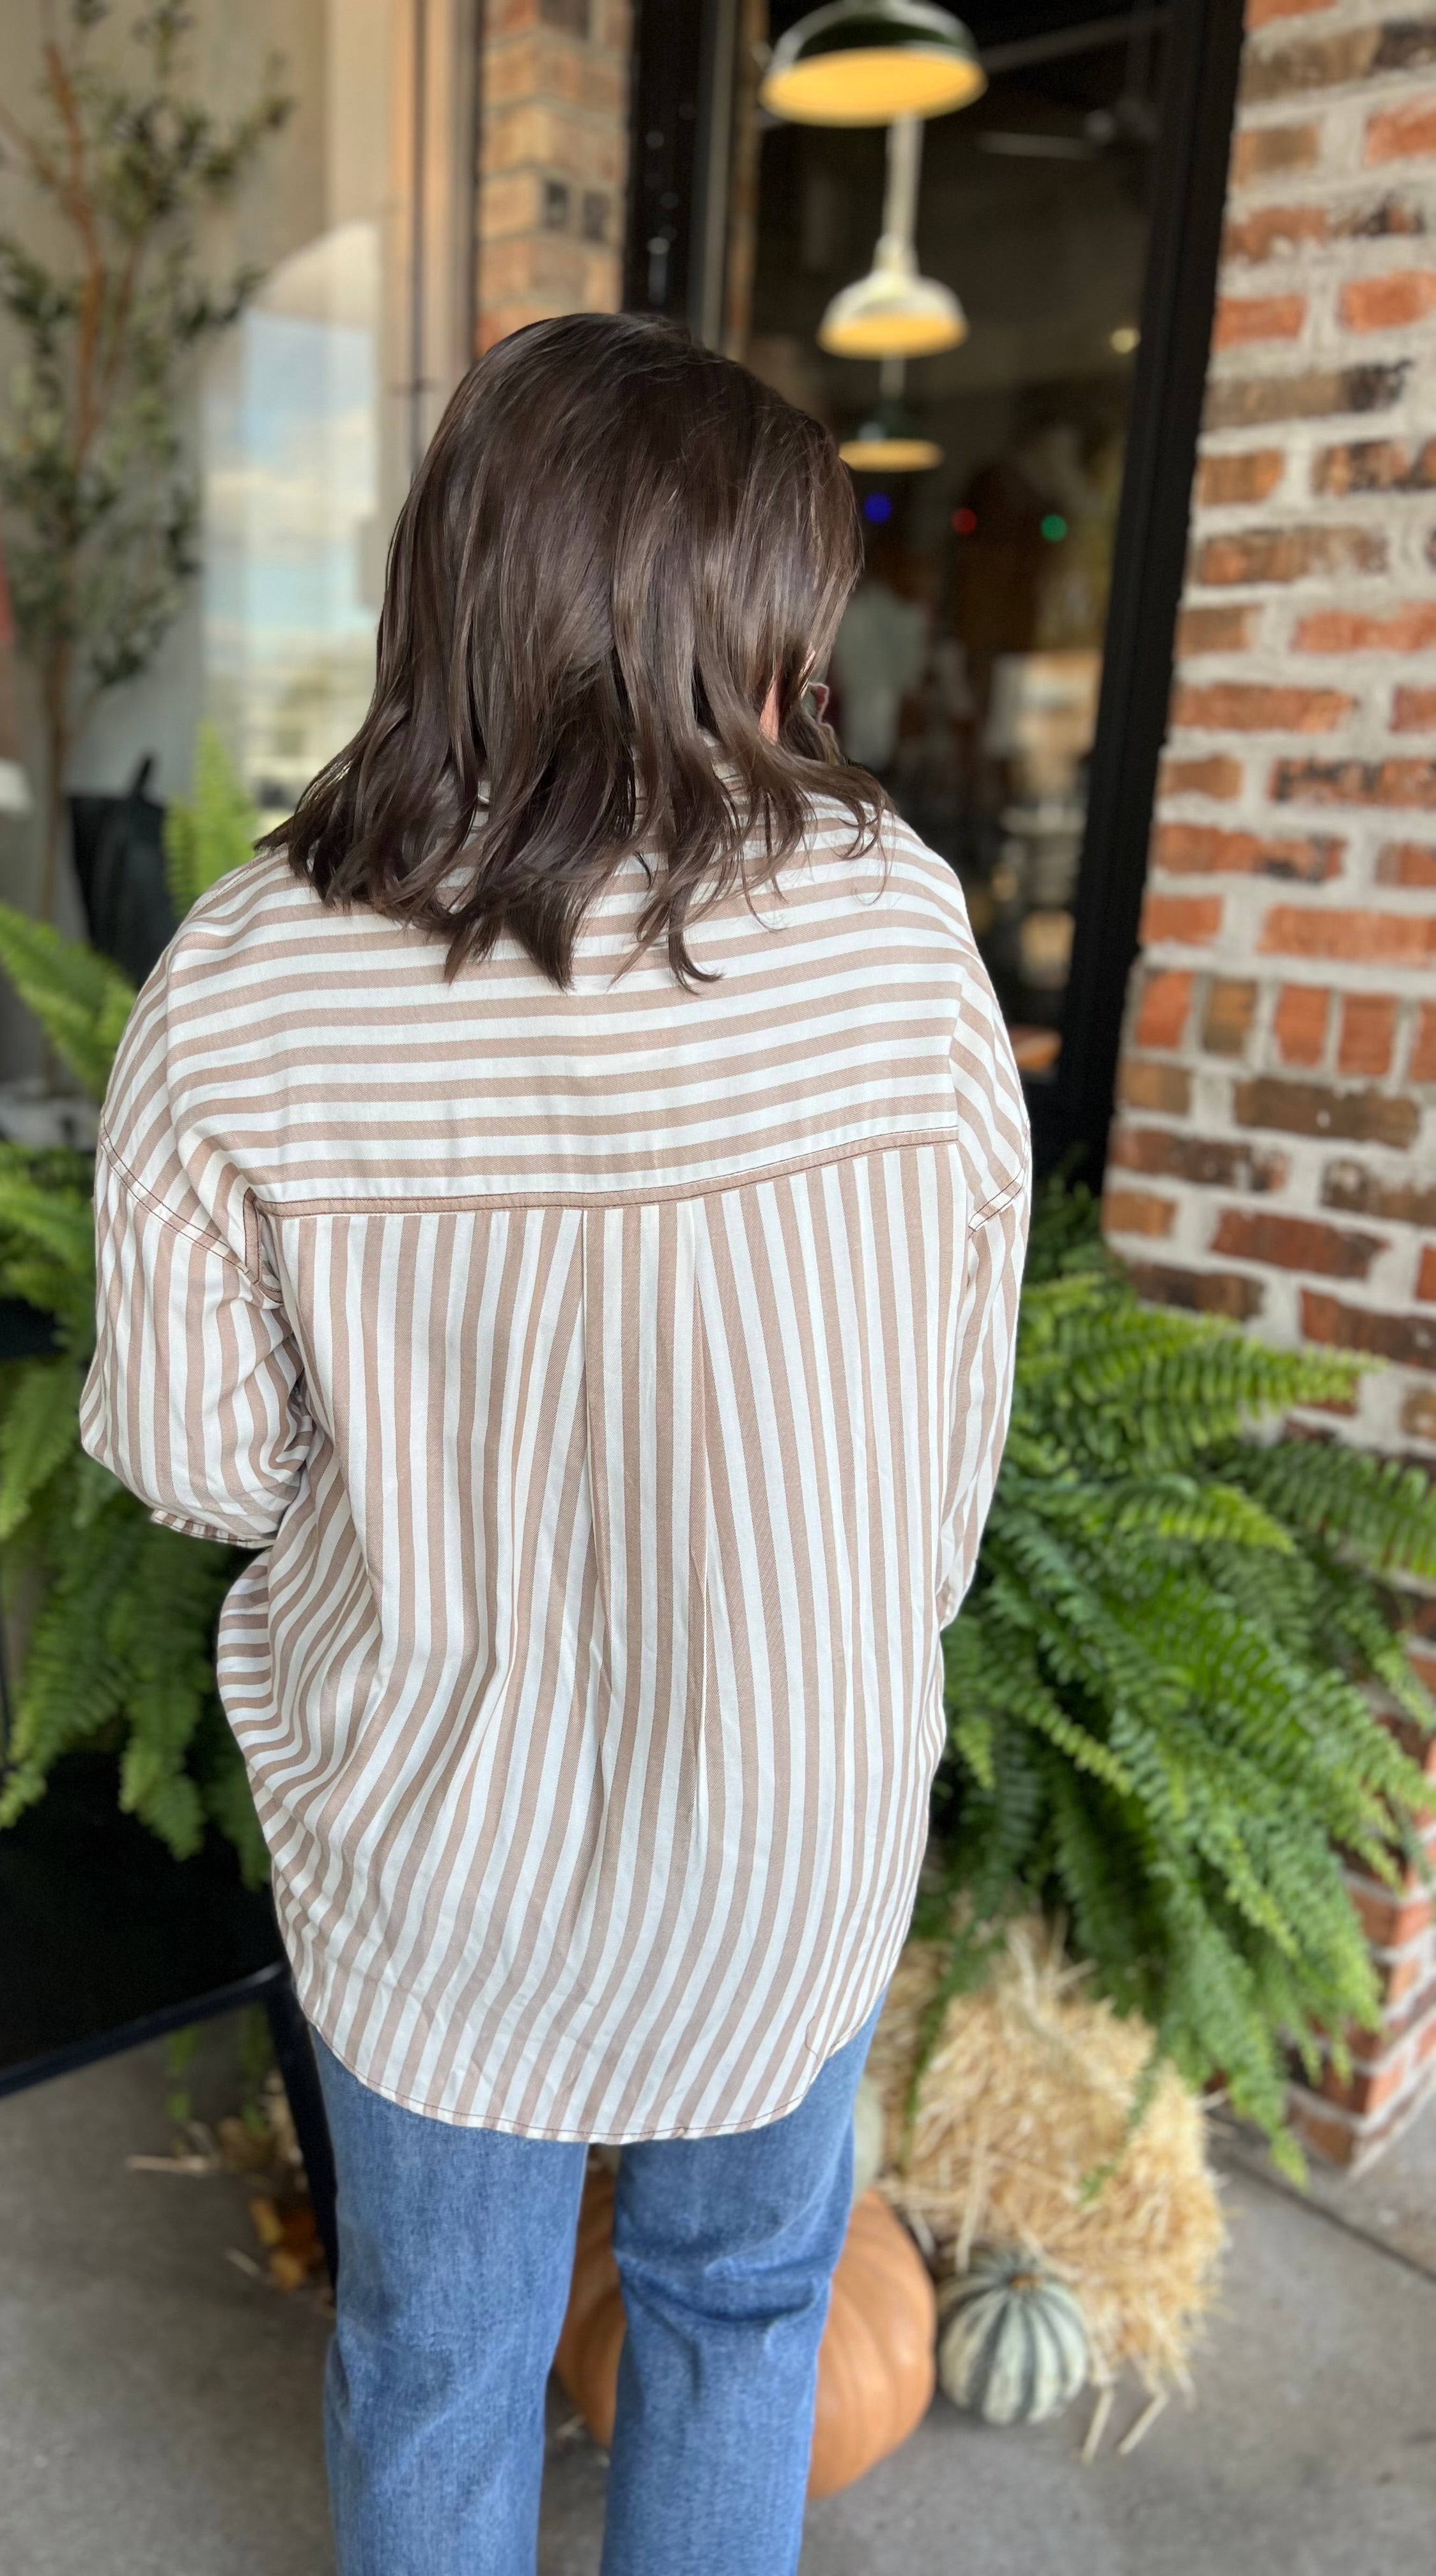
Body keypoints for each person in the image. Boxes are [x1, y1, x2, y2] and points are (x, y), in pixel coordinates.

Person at [83, 311, 1030, 2576]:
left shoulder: (244, 976)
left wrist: (435, 1472)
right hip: (792, 1821)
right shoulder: (897, 927)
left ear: (457, 583)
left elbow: (200, 1463)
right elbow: (957, 1408)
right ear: (743, 611)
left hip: (437, 1849)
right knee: (740, 2311)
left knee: (438, 2357)